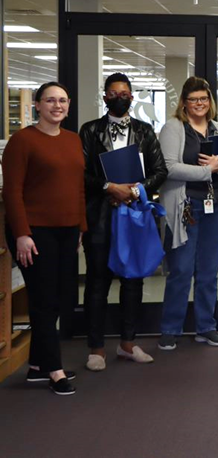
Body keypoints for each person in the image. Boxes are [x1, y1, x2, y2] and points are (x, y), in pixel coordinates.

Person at [80, 72, 167, 371]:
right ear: (105, 98)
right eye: (114, 93)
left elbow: (160, 170)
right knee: (97, 281)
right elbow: (81, 173)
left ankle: (128, 343)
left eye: (125, 93)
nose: (120, 98)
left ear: (132, 96)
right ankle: (96, 348)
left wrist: (135, 190)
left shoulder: (145, 131)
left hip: (134, 215)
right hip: (101, 215)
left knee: (133, 279)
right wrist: (109, 187)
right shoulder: (90, 131)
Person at [2, 82, 85, 395]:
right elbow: (12, 191)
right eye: (50, 100)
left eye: (62, 100)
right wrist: (22, 234)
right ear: (37, 105)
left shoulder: (73, 140)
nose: (57, 106)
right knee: (43, 299)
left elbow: (78, 188)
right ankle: (55, 369)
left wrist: (80, 228)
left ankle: (38, 365)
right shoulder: (22, 141)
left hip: (67, 230)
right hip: (34, 233)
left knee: (61, 296)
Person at [157, 77, 218, 351]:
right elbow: (169, 167)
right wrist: (207, 171)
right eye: (193, 100)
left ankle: (206, 326)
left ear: (209, 102)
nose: (199, 104)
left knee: (209, 271)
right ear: (184, 102)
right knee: (180, 269)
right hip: (185, 208)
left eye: (204, 99)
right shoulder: (174, 128)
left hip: (215, 207)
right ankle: (170, 328)